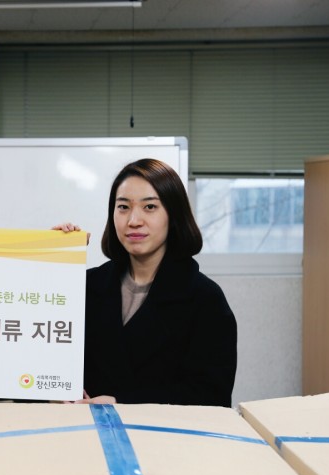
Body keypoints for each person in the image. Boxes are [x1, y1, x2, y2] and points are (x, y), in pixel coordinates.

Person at [57, 158, 237, 407]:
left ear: (173, 215)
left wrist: (122, 403)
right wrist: (52, 264)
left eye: (149, 207)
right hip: (79, 427)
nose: (133, 220)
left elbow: (212, 396)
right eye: (123, 207)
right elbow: (38, 359)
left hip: (157, 432)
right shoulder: (86, 286)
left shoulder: (205, 299)